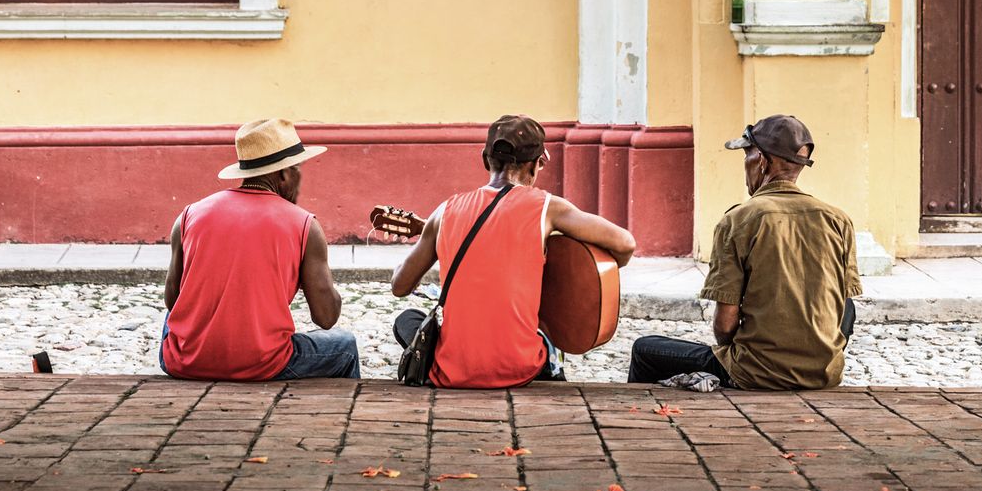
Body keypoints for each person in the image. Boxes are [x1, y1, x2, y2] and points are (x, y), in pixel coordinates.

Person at [388, 114, 636, 388]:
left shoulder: (445, 211)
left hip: (452, 372)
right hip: (521, 368)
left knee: (408, 319)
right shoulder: (548, 208)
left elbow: (399, 286)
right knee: (547, 326)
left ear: (485, 159)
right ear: (537, 164)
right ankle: (552, 371)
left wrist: (431, 236)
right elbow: (625, 244)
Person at [628, 114, 860, 390]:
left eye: (746, 156)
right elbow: (846, 306)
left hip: (755, 372)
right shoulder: (838, 219)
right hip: (824, 373)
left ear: (761, 161)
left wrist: (742, 354)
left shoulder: (738, 220)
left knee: (646, 349)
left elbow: (725, 324)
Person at [160, 118, 360, 381]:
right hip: (262, 364)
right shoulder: (304, 225)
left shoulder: (188, 215)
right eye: (298, 169)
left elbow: (173, 302)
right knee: (344, 344)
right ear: (285, 174)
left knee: (169, 320)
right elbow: (326, 317)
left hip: (184, 361)